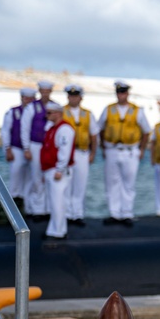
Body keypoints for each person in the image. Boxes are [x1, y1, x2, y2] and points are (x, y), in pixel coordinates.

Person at [98, 80, 151, 226]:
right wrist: (103, 147)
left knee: (129, 183)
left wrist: (141, 149)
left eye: (123, 92)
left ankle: (127, 213)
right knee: (112, 182)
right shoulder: (108, 110)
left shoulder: (137, 110)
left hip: (130, 151)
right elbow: (100, 128)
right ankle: (114, 213)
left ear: (127, 94)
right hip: (112, 149)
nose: (121, 95)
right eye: (118, 92)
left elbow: (146, 131)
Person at [62, 84, 98, 226]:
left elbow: (94, 135)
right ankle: (66, 213)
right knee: (66, 184)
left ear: (81, 98)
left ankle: (77, 214)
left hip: (82, 152)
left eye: (76, 96)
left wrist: (93, 153)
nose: (73, 98)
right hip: (66, 153)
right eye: (71, 96)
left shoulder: (88, 114)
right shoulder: (62, 112)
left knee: (80, 184)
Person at [39, 102, 75, 240]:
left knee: (57, 202)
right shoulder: (52, 128)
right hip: (50, 169)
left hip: (57, 170)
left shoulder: (64, 129)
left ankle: (57, 232)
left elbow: (64, 151)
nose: (46, 115)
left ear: (58, 113)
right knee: (54, 202)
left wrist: (60, 169)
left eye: (49, 113)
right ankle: (56, 229)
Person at [20, 79, 55, 219]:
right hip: (35, 145)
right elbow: (25, 128)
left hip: (49, 147)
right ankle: (37, 209)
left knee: (48, 177)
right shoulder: (32, 107)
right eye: (43, 91)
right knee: (36, 177)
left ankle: (47, 208)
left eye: (48, 91)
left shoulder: (55, 106)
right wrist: (26, 148)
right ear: (40, 92)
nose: (45, 94)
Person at [2, 87, 36, 210]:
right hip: (16, 148)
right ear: (21, 98)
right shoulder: (13, 112)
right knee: (15, 176)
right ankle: (12, 207)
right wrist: (7, 149)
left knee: (30, 179)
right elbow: (6, 131)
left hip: (31, 149)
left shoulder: (37, 113)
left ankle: (26, 207)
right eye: (26, 98)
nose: (28, 101)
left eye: (31, 99)